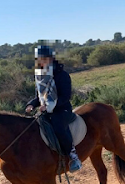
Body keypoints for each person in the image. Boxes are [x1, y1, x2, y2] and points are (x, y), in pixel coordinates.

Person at [25, 45, 82, 173]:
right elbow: (38, 97)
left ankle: (73, 156)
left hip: (62, 110)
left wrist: (51, 105)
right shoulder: (40, 76)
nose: (41, 62)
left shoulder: (62, 75)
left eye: (44, 59)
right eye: (39, 59)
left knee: (58, 126)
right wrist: (31, 104)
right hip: (45, 110)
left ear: (51, 58)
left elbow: (65, 97)